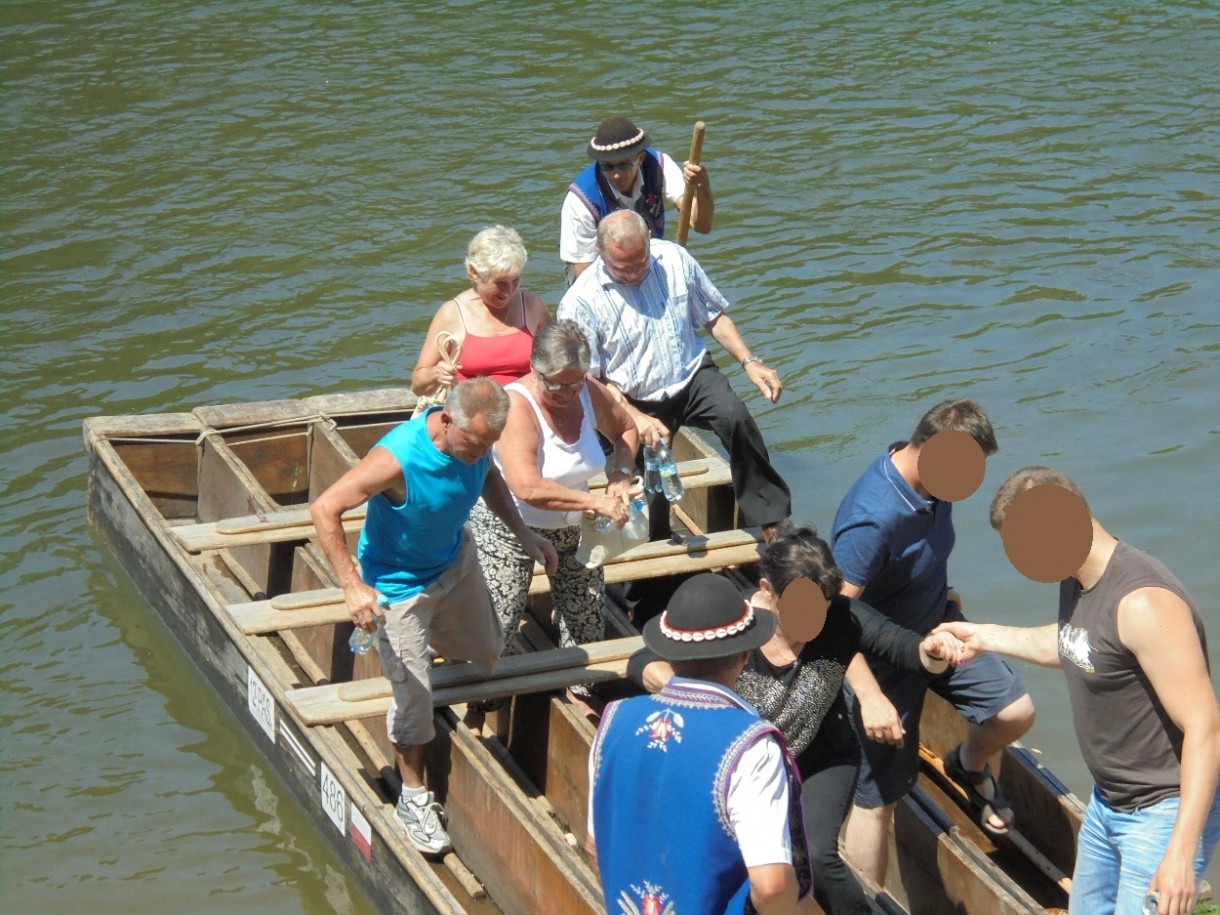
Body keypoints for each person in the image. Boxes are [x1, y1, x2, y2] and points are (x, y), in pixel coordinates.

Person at [627, 523, 964, 915]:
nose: (814, 619)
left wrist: (935, 650)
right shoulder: (733, 624)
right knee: (737, 866)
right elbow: (642, 660)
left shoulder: (840, 617)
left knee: (819, 857)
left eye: (822, 606)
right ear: (767, 590)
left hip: (819, 758)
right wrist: (684, 690)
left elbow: (910, 651)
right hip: (739, 769)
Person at [934, 467, 1220, 915]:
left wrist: (1180, 855)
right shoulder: (1080, 578)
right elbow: (1077, 644)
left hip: (1161, 816)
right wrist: (984, 636)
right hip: (1109, 806)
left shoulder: (1143, 602)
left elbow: (1206, 728)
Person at [309, 378, 558, 855]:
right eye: (475, 441)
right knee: (415, 702)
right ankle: (414, 795)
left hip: (454, 562)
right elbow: (325, 508)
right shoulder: (398, 458)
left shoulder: (477, 445)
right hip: (399, 589)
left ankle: (413, 673)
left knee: (487, 653)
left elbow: (489, 477)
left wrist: (525, 535)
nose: (481, 451)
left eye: (489, 444)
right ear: (447, 421)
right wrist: (351, 585)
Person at [830, 399, 1036, 889]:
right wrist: (871, 696)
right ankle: (869, 901)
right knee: (877, 801)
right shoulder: (872, 520)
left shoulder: (936, 485)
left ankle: (967, 763)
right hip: (881, 660)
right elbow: (829, 617)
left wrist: (942, 595)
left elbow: (920, 555)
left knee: (1015, 710)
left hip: (938, 630)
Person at [558, 210, 791, 573]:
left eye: (640, 262)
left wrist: (750, 362)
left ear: (649, 243)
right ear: (602, 256)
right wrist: (636, 418)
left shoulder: (674, 259)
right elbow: (591, 382)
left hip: (691, 375)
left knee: (736, 419)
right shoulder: (580, 301)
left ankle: (772, 518)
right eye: (623, 268)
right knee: (649, 496)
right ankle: (650, 575)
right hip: (629, 398)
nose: (634, 273)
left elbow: (713, 316)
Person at [588, 573, 809, 914]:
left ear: (668, 652)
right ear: (746, 655)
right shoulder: (752, 747)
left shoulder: (614, 720)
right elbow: (772, 887)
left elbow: (595, 847)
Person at [464, 320, 639, 734]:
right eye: (556, 385)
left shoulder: (590, 393)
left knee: (586, 613)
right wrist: (596, 500)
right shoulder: (516, 405)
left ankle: (578, 691)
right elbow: (526, 487)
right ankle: (478, 704)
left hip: (576, 521)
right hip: (512, 525)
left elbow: (627, 428)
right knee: (500, 623)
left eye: (575, 384)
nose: (567, 394)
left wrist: (621, 475)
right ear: (534, 369)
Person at [560, 115, 713, 285]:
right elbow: (583, 272)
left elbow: (702, 226)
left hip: (641, 260)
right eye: (607, 166)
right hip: (594, 272)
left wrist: (702, 187)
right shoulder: (581, 200)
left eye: (624, 165)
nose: (616, 174)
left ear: (640, 159)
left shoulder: (659, 167)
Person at [410, 225, 551, 397]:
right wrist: (436, 374)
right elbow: (417, 385)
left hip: (526, 409)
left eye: (515, 281)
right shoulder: (451, 314)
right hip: (471, 413)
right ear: (474, 273)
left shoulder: (532, 307)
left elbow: (558, 359)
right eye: (499, 283)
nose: (508, 291)